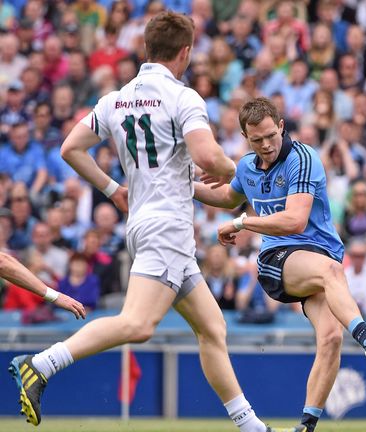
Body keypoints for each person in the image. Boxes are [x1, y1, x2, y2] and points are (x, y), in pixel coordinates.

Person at [8, 12, 278, 432]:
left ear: (146, 49)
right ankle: (41, 364)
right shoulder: (181, 97)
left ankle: (251, 427)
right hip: (167, 226)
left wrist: (113, 189)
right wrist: (240, 168)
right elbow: (208, 158)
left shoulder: (115, 99)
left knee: (212, 328)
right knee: (138, 324)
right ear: (185, 52)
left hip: (145, 224)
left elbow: (70, 148)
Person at [193, 97, 366, 432]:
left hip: (316, 259)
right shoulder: (247, 167)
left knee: (331, 339)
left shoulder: (302, 158)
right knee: (332, 271)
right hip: (275, 260)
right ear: (245, 137)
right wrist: (183, 185)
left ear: (281, 126)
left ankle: (306, 426)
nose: (266, 145)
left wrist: (241, 223)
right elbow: (227, 197)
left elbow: (295, 219)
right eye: (256, 140)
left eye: (270, 135)